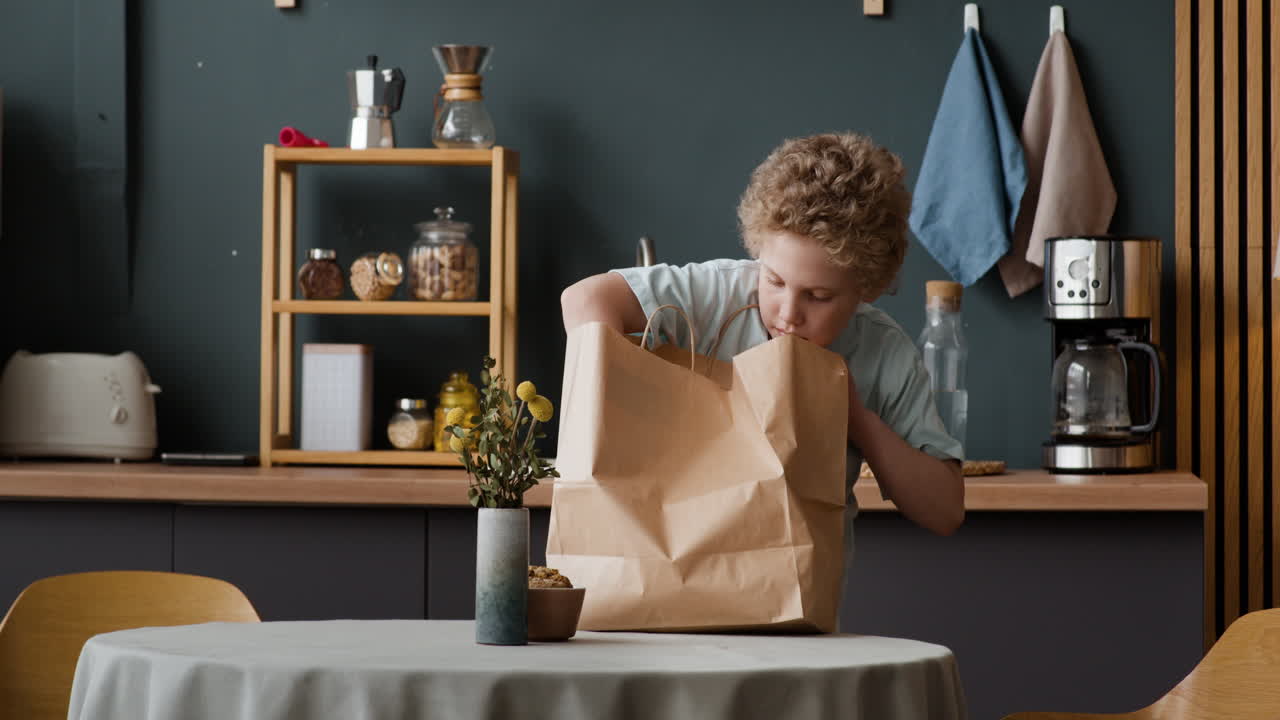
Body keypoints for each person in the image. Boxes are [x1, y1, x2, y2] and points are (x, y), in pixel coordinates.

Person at [559, 132, 964, 542]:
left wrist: (856, 420)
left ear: (867, 288)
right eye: (773, 280)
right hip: (662, 581)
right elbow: (584, 300)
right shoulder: (714, 295)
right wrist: (646, 407)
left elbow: (945, 510)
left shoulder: (883, 349)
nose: (789, 314)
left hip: (792, 602)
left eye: (818, 296)